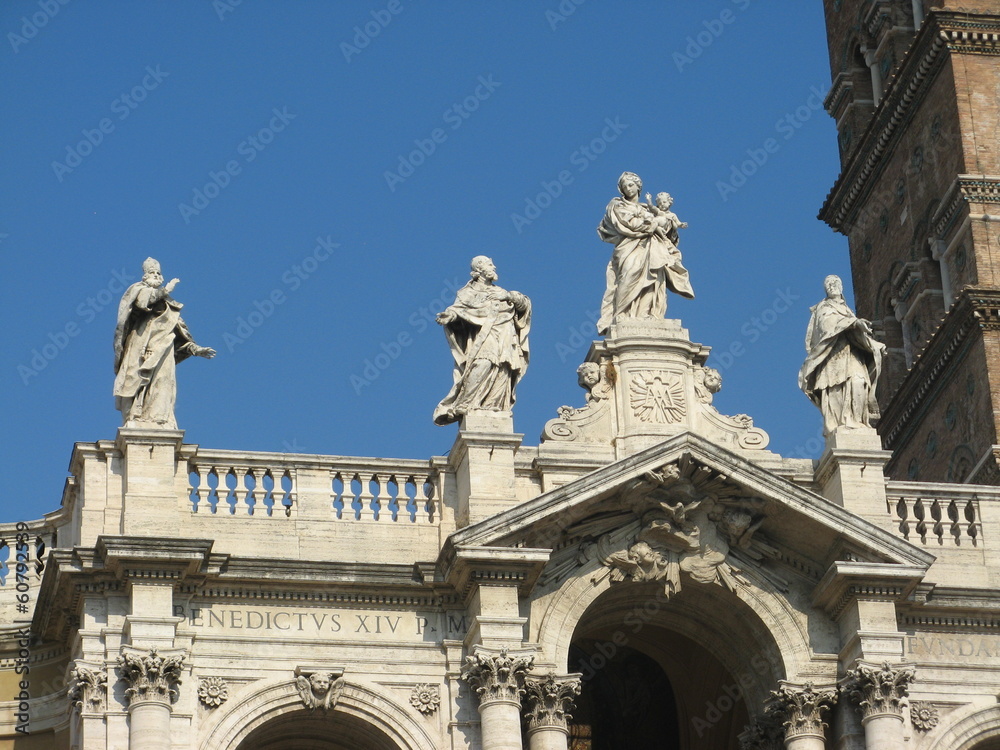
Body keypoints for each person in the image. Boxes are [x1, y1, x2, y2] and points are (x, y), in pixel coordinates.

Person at [113, 258, 215, 428]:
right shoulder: (138, 290)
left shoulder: (169, 305)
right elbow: (142, 302)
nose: (156, 276)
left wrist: (196, 349)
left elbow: (181, 333)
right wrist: (166, 289)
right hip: (141, 347)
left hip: (165, 349)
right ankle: (137, 417)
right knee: (139, 380)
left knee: (163, 383)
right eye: (152, 273)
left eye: (158, 273)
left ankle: (160, 419)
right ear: (145, 277)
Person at [433, 256, 531, 425]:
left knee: (504, 369)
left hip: (507, 335)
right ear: (479, 270)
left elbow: (524, 306)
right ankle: (466, 403)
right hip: (486, 335)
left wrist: (510, 296)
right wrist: (450, 315)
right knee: (483, 363)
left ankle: (494, 406)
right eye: (490, 264)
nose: (494, 267)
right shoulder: (468, 293)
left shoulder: (502, 292)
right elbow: (459, 309)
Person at [596, 172, 694, 335]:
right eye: (625, 186)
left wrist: (667, 225)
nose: (628, 188)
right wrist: (651, 225)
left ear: (638, 186)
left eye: (631, 184)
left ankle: (648, 314)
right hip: (629, 247)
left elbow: (669, 234)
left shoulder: (648, 209)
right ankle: (621, 314)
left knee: (653, 278)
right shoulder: (617, 205)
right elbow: (626, 224)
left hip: (653, 246)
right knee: (629, 275)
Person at [799, 275, 885, 434]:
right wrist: (853, 323)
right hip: (833, 358)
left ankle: (857, 422)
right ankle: (841, 424)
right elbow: (826, 326)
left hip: (852, 355)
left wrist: (874, 345)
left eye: (835, 282)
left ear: (841, 286)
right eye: (829, 284)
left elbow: (859, 336)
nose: (832, 285)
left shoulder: (847, 310)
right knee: (836, 388)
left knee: (859, 382)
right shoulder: (824, 308)